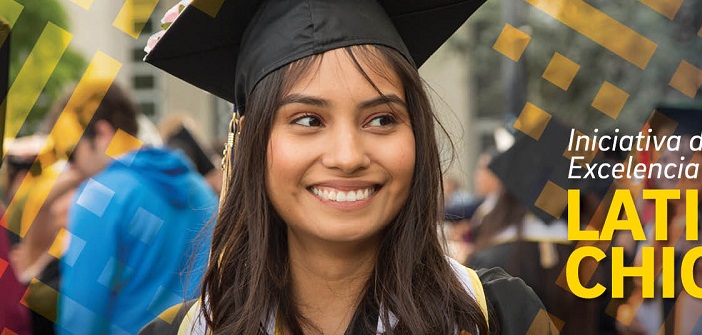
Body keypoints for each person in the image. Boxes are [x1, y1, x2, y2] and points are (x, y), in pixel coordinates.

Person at [141, 0, 554, 334]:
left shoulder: (499, 318)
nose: (348, 156)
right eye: (308, 120)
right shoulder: (187, 330)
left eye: (381, 120)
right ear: (250, 142)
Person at [56, 82, 218, 335]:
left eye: (69, 152)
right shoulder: (200, 190)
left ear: (101, 134)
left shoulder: (100, 196)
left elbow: (79, 320)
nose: (70, 166)